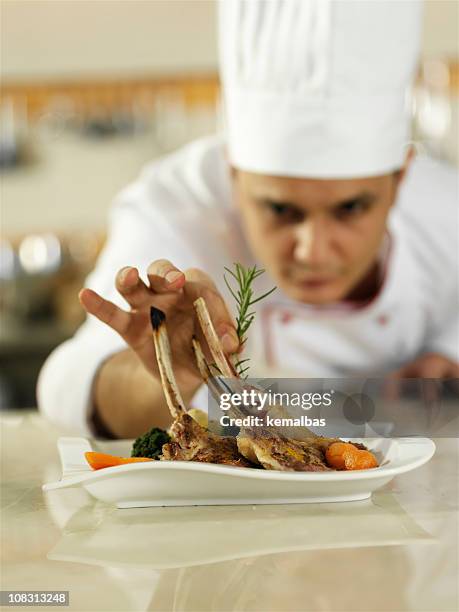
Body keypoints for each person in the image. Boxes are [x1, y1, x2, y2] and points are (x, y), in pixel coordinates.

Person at [38, 0, 458, 439]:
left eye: (351, 209)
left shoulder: (448, 211)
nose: (312, 250)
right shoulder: (174, 206)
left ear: (401, 176)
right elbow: (70, 387)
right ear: (233, 174)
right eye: (280, 209)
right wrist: (167, 377)